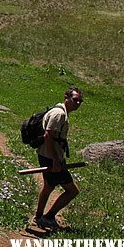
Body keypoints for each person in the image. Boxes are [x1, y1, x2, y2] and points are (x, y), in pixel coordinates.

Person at [33, 87, 83, 230]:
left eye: (80, 101)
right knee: (72, 191)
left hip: (48, 156)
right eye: (75, 99)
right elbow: (48, 136)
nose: (78, 103)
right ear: (66, 98)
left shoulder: (61, 111)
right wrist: (55, 160)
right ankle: (48, 218)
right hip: (51, 157)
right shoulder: (59, 114)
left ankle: (38, 216)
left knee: (49, 186)